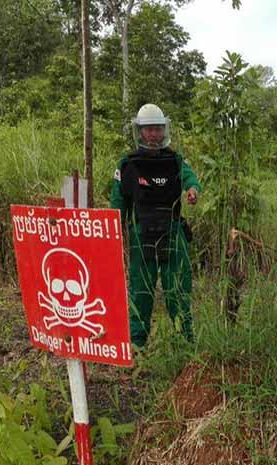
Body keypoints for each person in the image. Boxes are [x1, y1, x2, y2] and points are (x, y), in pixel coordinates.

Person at [110, 103, 201, 347]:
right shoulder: (127, 164)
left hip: (172, 230)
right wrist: (115, 235)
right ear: (140, 131)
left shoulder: (175, 160)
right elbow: (117, 203)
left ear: (164, 130)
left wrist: (192, 190)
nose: (153, 134)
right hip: (141, 234)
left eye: (158, 129)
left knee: (178, 289)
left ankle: (186, 342)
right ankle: (138, 344)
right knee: (140, 291)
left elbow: (190, 178)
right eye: (149, 129)